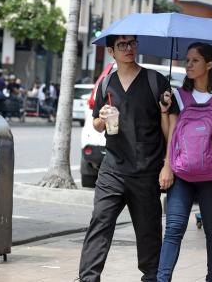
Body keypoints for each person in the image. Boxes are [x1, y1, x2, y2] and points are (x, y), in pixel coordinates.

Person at [77, 34, 178, 282]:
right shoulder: (106, 84)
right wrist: (102, 117)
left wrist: (168, 164)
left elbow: (172, 130)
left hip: (146, 169)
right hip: (112, 168)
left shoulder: (156, 81)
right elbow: (98, 125)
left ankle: (152, 277)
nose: (129, 48)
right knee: (100, 223)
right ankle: (88, 278)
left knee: (148, 231)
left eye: (132, 43)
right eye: (122, 45)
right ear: (111, 51)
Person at [157, 42, 212, 282]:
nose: (188, 65)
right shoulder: (178, 95)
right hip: (181, 173)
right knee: (173, 229)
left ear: (209, 65)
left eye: (194, 60)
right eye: (187, 60)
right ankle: (162, 279)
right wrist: (165, 111)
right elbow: (171, 135)